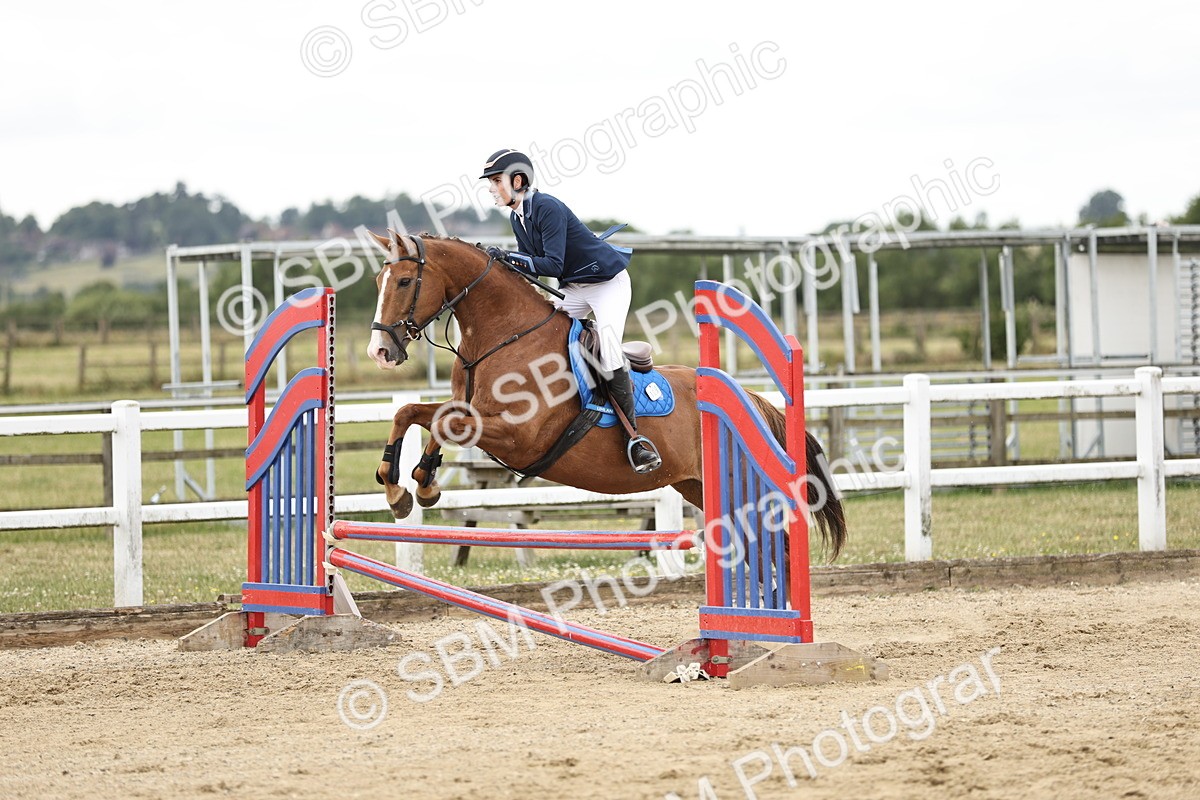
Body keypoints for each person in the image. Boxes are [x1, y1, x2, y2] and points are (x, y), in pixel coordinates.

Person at [478, 148, 662, 474]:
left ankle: (635, 438)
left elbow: (551, 264)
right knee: (543, 333)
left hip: (607, 285)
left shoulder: (546, 207)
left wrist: (508, 256)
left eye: (496, 181)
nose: (492, 189)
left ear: (517, 181)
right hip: (575, 288)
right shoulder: (517, 218)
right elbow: (530, 268)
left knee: (609, 351)